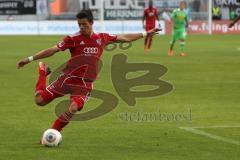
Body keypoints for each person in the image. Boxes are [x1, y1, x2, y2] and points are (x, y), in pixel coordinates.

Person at [17, 10, 159, 142]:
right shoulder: (72, 39)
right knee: (39, 101)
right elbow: (53, 50)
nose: (81, 27)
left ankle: (53, 133)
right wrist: (29, 59)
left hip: (84, 85)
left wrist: (146, 33)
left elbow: (125, 38)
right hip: (67, 78)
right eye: (79, 25)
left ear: (91, 23)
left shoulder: (102, 38)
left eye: (84, 24)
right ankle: (42, 73)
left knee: (73, 108)